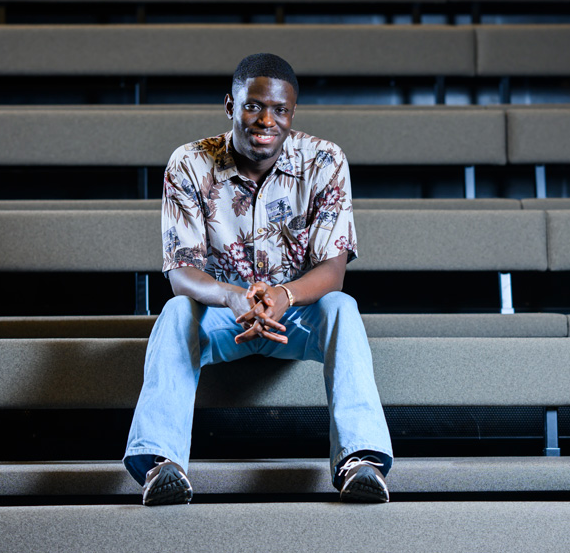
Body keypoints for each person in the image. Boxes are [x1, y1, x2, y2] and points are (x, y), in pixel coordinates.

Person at [123, 53, 393, 506]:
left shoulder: (325, 161)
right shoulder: (189, 163)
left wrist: (284, 295)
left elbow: (333, 270)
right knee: (175, 311)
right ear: (231, 106)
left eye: (280, 110)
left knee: (342, 308)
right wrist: (231, 297)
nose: (267, 120)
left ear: (292, 113)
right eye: (253, 106)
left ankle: (359, 461)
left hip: (296, 316)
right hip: (222, 316)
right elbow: (181, 272)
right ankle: (159, 464)